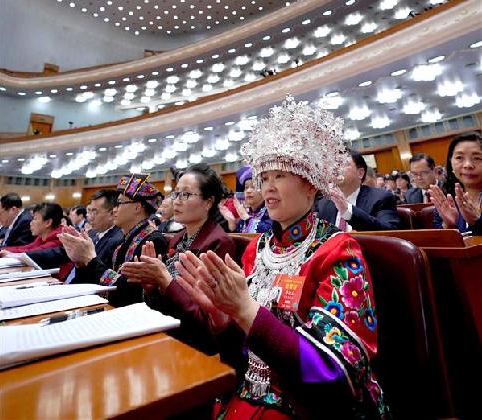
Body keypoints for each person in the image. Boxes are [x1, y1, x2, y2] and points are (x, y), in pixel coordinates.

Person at [139, 97, 389, 418]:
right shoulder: (258, 249)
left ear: (311, 185)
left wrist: (246, 310)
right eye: (264, 177)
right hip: (247, 390)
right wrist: (222, 319)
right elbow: (239, 353)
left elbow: (335, 373)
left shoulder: (338, 250)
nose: (268, 187)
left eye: (280, 176)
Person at [121, 164, 236, 343]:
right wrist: (152, 287)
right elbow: (165, 307)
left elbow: (205, 322)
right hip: (167, 331)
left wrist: (165, 280)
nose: (176, 201)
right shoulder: (177, 239)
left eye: (186, 194)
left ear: (208, 202)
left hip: (195, 344)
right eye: (176, 194)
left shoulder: (219, 243)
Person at [59, 175, 167, 306]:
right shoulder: (124, 238)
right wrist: (81, 262)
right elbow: (96, 279)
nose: (114, 210)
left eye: (119, 203)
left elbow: (129, 294)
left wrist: (91, 258)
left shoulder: (153, 241)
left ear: (137, 207)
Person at [316, 151, 401, 231]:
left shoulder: (381, 198)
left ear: (360, 173)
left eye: (342, 164)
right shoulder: (323, 203)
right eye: (333, 164)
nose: (335, 168)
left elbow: (390, 232)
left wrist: (348, 211)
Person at [429, 131, 482, 234]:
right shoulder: (445, 201)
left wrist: (477, 223)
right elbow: (442, 246)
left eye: (477, 158)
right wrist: (449, 225)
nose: (468, 165)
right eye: (459, 158)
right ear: (450, 162)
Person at [220, 167, 272, 234]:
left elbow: (269, 232)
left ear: (263, 190)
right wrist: (232, 223)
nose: (248, 191)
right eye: (246, 187)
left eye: (253, 187)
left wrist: (247, 218)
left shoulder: (270, 211)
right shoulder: (246, 213)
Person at [0, 202, 64, 255]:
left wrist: (10, 253)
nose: (30, 223)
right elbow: (26, 248)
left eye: (35, 219)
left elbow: (31, 252)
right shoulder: (41, 238)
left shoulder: (57, 241)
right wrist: (2, 249)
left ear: (48, 223)